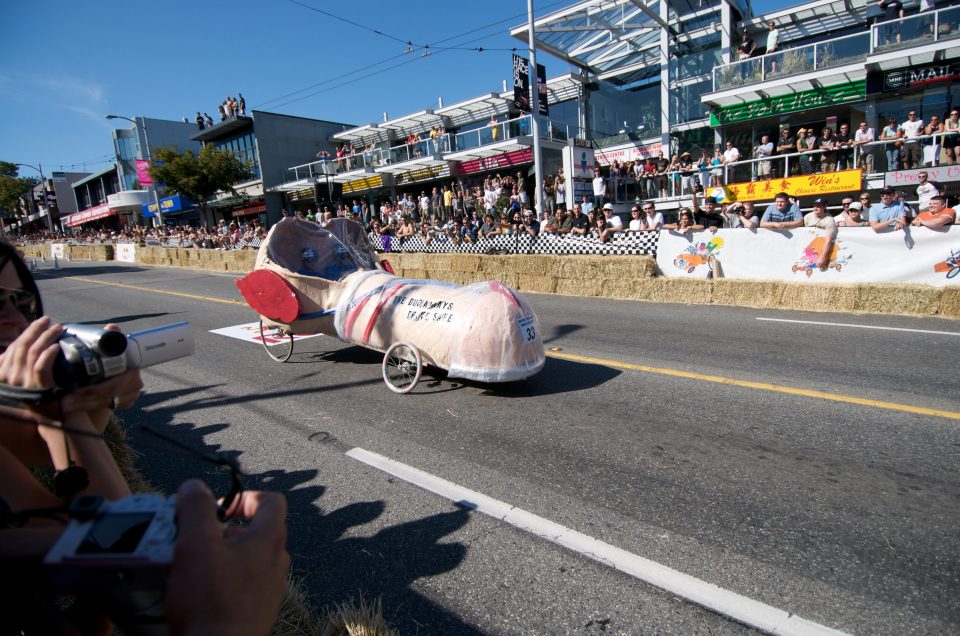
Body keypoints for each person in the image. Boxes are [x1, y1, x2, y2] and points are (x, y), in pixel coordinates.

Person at [803, 198, 838, 271]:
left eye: (818, 206)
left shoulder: (829, 219)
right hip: (810, 246)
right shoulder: (807, 217)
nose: (815, 208)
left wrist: (822, 257)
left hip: (823, 246)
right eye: (814, 206)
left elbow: (828, 240)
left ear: (824, 207)